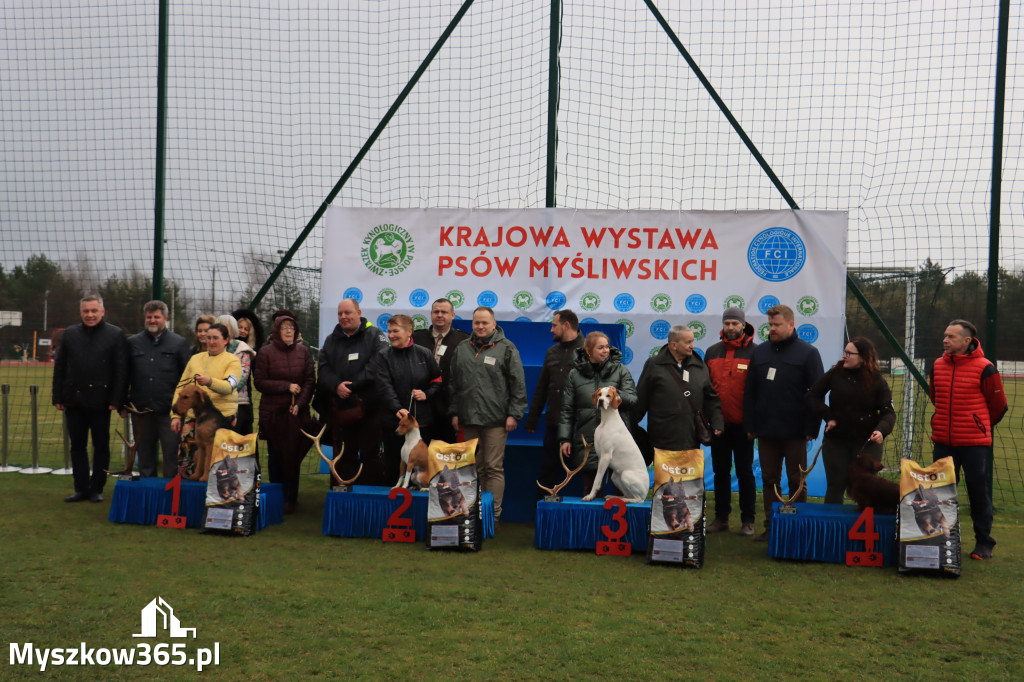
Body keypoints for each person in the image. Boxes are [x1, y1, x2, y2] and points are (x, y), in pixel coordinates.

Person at [743, 304, 824, 541]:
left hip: (795, 431)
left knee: (796, 480)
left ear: (791, 324)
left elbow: (816, 392)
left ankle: (797, 527)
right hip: (766, 430)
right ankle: (771, 526)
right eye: (769, 325)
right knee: (769, 480)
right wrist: (750, 424)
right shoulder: (760, 352)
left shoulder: (808, 353)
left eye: (777, 324)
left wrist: (812, 427)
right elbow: (750, 392)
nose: (772, 329)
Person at [929, 319, 1007, 560]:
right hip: (943, 441)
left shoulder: (986, 368)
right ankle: (939, 539)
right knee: (939, 493)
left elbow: (999, 406)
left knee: (978, 493)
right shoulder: (937, 365)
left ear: (967, 341)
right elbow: (935, 397)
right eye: (945, 335)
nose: (945, 340)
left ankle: (984, 543)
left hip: (974, 444)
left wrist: (977, 425)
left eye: (951, 337)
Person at [448, 306, 527, 523]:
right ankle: (474, 514)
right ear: (472, 324)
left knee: (493, 467)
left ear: (494, 324)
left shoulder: (507, 348)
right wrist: (454, 412)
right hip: (468, 419)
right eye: (477, 323)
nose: (481, 327)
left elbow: (518, 384)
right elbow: (453, 384)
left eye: (485, 323)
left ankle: (493, 516)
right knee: (474, 467)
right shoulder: (462, 348)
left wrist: (514, 414)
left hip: (496, 420)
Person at [52, 294, 128, 503]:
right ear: (81, 312)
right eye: (86, 311)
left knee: (101, 446)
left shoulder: (115, 334)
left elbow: (121, 371)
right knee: (77, 446)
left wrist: (117, 399)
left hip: (101, 402)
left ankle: (96, 489)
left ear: (102, 312)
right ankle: (80, 488)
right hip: (73, 401)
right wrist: (57, 396)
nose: (90, 315)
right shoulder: (70, 334)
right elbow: (60, 366)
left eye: (94, 311)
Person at [806, 337, 896, 505]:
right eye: (844, 352)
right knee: (836, 483)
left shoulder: (877, 380)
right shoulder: (835, 373)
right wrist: (829, 416)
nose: (844, 356)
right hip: (836, 440)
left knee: (868, 486)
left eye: (849, 353)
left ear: (863, 357)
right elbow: (812, 396)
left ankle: (868, 526)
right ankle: (832, 526)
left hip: (866, 442)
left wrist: (881, 430)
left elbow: (888, 412)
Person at [317, 298, 390, 484]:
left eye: (348, 312)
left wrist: (352, 386)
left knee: (370, 454)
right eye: (340, 313)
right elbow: (323, 368)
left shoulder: (375, 335)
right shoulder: (331, 340)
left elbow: (378, 364)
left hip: (371, 408)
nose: (344, 317)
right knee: (345, 455)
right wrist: (336, 386)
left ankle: (370, 496)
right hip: (342, 409)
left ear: (358, 313)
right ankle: (346, 496)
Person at [557, 331, 637, 493]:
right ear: (588, 351)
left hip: (616, 442)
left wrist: (618, 394)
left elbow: (633, 400)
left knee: (621, 490)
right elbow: (567, 408)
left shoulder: (621, 370)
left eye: (607, 347)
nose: (606, 350)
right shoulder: (574, 374)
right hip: (587, 440)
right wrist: (564, 438)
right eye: (600, 348)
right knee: (590, 490)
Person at [253, 313, 315, 513]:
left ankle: (291, 499)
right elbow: (259, 382)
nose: (289, 331)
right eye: (285, 328)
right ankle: (276, 499)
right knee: (275, 456)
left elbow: (309, 380)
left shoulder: (304, 352)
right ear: (277, 331)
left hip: (296, 413)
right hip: (273, 414)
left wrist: (300, 404)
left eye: (292, 328)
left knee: (293, 455)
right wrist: (286, 386)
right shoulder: (265, 352)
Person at [705, 307, 758, 536]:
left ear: (743, 325)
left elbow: (759, 392)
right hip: (719, 425)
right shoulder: (712, 352)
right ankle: (721, 518)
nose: (730, 327)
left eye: (735, 324)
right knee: (720, 472)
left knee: (745, 472)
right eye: (727, 323)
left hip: (744, 426)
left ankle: (748, 520)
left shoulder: (756, 353)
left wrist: (753, 423)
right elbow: (706, 390)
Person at [123, 300, 191, 478]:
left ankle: (169, 497)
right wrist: (123, 402)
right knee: (145, 458)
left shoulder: (179, 343)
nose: (153, 320)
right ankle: (148, 494)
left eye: (157, 317)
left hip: (170, 412)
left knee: (171, 456)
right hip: (141, 411)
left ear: (165, 318)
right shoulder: (132, 343)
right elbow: (124, 374)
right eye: (149, 317)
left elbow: (187, 378)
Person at [375, 314, 442, 483]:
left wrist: (427, 394)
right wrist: (397, 407)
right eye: (389, 331)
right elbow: (384, 386)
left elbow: (437, 381)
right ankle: (392, 504)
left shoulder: (424, 354)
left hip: (421, 424)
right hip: (394, 424)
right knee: (393, 468)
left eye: (395, 331)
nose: (390, 335)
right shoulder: (383, 356)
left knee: (420, 470)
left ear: (409, 332)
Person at [635, 324, 723, 452]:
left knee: (690, 473)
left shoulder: (700, 367)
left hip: (691, 440)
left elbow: (711, 399)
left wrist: (717, 422)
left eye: (692, 341)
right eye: (688, 342)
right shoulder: (654, 365)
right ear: (674, 345)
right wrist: (629, 425)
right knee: (665, 473)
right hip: (662, 442)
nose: (692, 346)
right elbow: (641, 399)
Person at [526, 310, 585, 496]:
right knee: (547, 471)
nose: (551, 330)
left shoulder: (588, 350)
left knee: (586, 471)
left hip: (581, 425)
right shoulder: (551, 352)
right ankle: (541, 516)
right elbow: (542, 387)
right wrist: (532, 419)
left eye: (554, 325)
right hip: (554, 424)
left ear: (566, 325)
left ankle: (587, 518)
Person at [412, 298, 469, 444]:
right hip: (420, 405)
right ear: (431, 314)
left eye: (444, 312)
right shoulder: (417, 337)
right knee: (419, 452)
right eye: (436, 311)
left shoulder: (463, 340)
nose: (440, 315)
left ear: (452, 315)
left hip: (448, 406)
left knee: (445, 454)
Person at [171, 323, 242, 432]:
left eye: (215, 338)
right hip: (193, 420)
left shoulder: (233, 361)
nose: (211, 342)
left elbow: (229, 387)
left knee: (217, 449)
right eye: (208, 338)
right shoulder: (195, 359)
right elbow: (181, 388)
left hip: (222, 419)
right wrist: (175, 416)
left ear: (226, 340)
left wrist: (210, 382)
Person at [216, 314, 257, 435]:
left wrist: (222, 389)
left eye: (226, 327)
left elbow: (242, 378)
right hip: (216, 405)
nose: (222, 330)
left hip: (239, 405)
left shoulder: (243, 350)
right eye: (220, 327)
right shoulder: (212, 350)